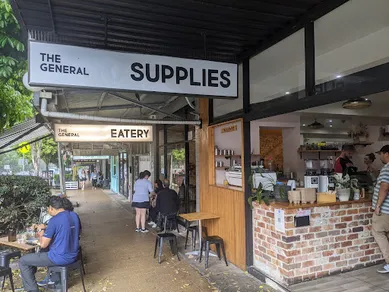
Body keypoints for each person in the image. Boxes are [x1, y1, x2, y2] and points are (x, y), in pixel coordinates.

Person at [19, 196, 81, 292]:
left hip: (60, 258)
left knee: (23, 261)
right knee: (42, 252)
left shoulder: (54, 220)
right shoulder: (74, 216)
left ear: (51, 208)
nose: (48, 211)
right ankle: (53, 280)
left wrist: (41, 230)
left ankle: (32, 289)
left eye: (48, 208)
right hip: (74, 255)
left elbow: (43, 244)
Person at [371, 145, 389, 274]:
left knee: (378, 232)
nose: (380, 157)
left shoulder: (387, 168)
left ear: (386, 154)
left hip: (385, 210)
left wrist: (378, 206)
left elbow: (384, 187)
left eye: (381, 154)